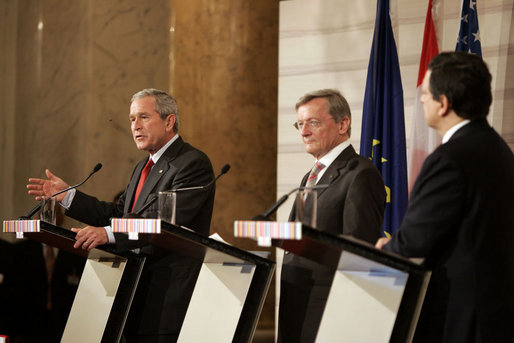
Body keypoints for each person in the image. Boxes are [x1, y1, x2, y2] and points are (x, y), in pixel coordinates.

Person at [27, 88, 216, 342]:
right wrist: (68, 196)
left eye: (143, 117)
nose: (135, 126)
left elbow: (162, 224)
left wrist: (106, 234)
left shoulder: (192, 163)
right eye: (131, 119)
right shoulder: (143, 167)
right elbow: (119, 213)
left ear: (169, 121)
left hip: (166, 298)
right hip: (133, 293)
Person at [376, 52, 514, 343]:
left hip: (458, 315)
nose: (422, 100)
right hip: (494, 310)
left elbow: (416, 240)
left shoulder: (449, 158)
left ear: (444, 103)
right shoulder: (499, 149)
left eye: (425, 94)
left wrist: (385, 249)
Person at [278, 89, 386, 342]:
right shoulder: (311, 175)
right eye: (300, 124)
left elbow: (358, 248)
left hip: (326, 304)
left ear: (343, 124)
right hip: (296, 296)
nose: (304, 132)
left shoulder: (360, 173)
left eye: (313, 123)